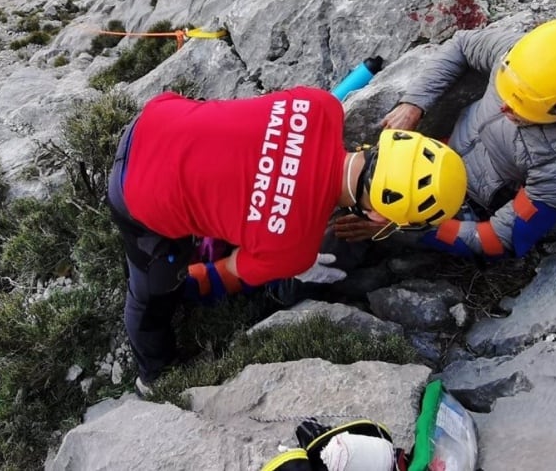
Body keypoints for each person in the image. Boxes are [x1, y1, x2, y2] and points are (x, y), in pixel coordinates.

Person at [106, 87, 467, 391]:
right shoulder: (293, 251)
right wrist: (186, 278)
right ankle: (153, 378)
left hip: (155, 118)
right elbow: (226, 273)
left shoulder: (321, 105)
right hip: (133, 196)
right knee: (152, 295)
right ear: (378, 214)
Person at [334, 18, 556, 258]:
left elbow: (496, 239)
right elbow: (462, 45)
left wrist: (405, 227)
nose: (505, 108)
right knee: (337, 181)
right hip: (438, 152)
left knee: (335, 238)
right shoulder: (520, 59)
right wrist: (414, 104)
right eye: (506, 92)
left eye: (523, 109)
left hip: (464, 202)